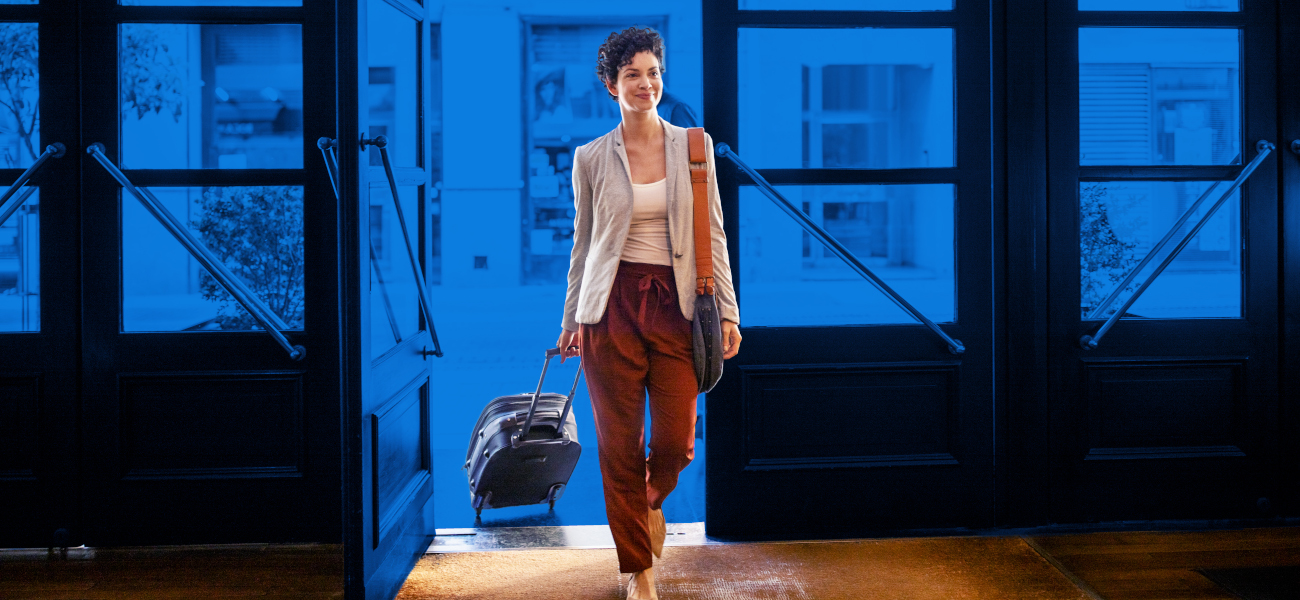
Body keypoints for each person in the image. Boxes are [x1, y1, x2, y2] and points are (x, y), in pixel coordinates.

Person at [556, 26, 740, 600]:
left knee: (677, 442)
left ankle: (650, 499)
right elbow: (583, 245)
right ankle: (637, 568)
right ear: (611, 85)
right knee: (617, 443)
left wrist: (729, 311)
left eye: (653, 72)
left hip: (678, 304)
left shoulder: (693, 145)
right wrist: (569, 322)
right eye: (632, 74)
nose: (646, 83)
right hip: (608, 307)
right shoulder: (590, 158)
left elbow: (713, 231)